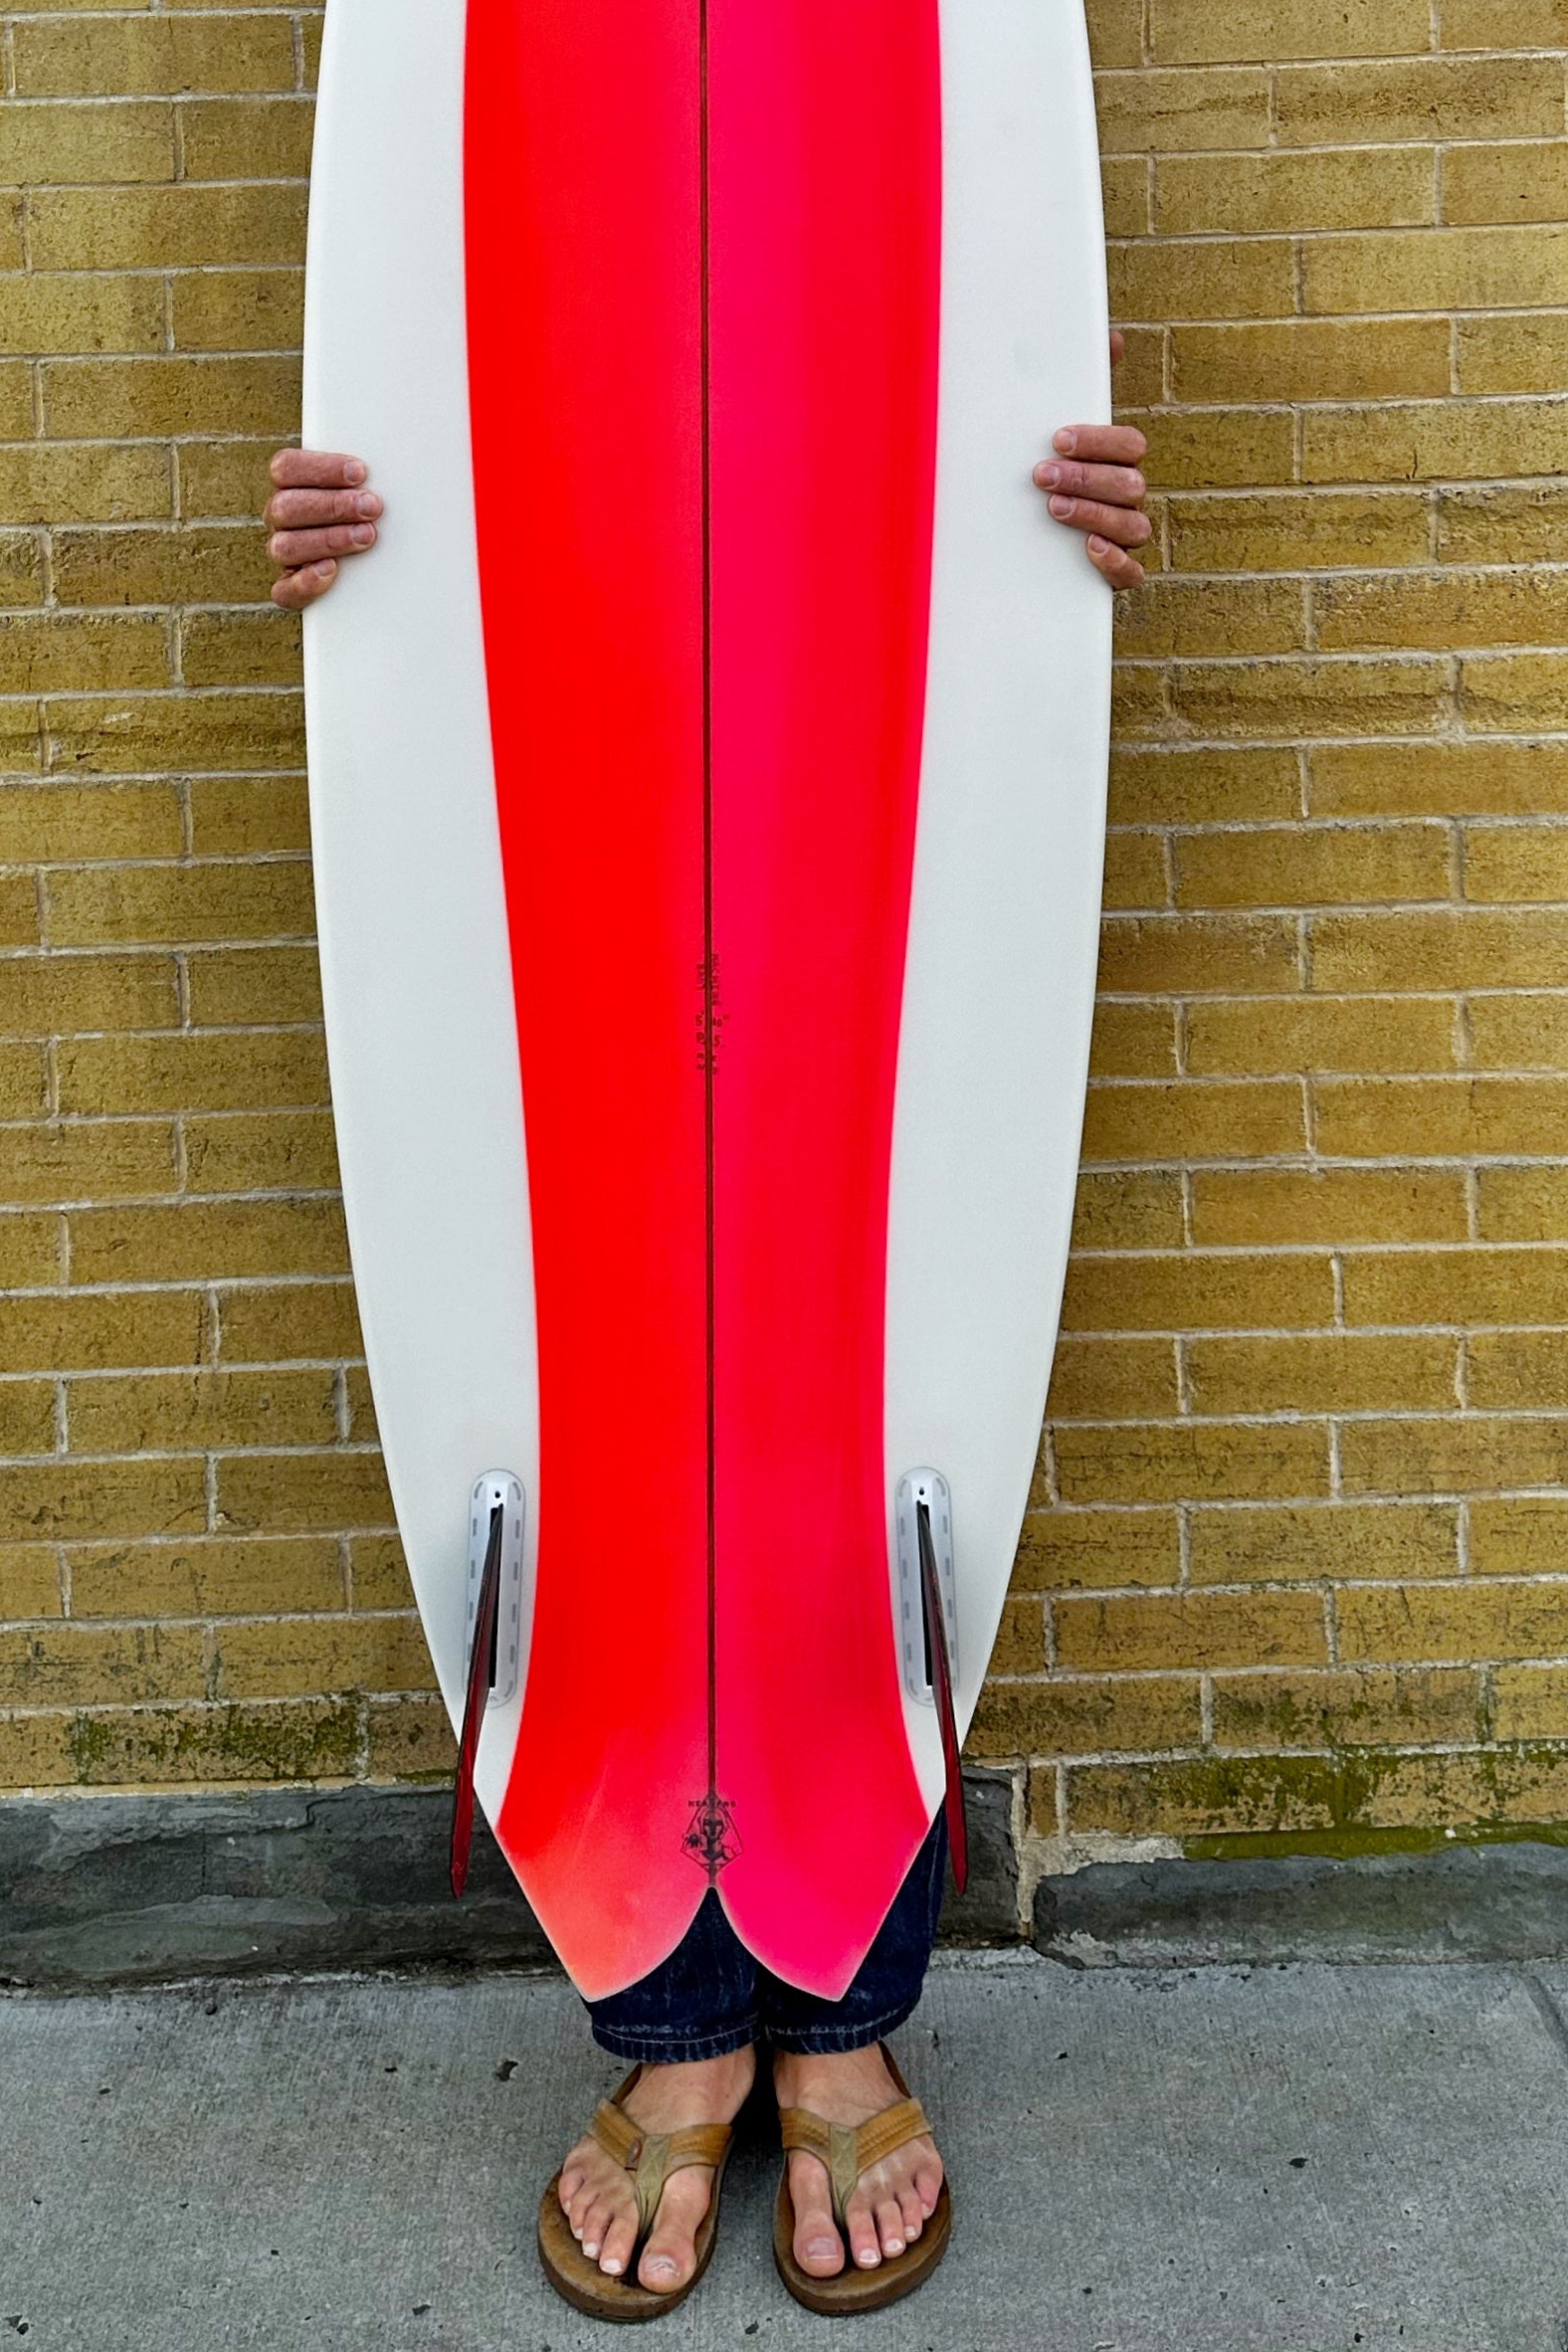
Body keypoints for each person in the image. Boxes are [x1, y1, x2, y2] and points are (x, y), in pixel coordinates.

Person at [261, 361, 1149, 2311]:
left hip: (856, 773)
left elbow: (920, 356)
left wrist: (1030, 550)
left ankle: (837, 2013)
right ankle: (679, 2023)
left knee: (848, 1377)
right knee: (624, 1396)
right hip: (576, 770)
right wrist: (382, 550)